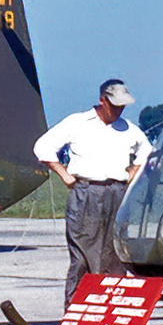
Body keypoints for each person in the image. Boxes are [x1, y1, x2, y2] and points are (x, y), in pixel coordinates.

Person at [34, 78, 152, 309]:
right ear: (102, 100)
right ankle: (75, 313)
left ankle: (108, 314)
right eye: (115, 105)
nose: (119, 110)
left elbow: (146, 151)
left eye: (122, 106)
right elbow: (42, 147)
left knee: (115, 256)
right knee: (84, 257)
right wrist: (63, 173)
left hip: (117, 193)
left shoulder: (128, 129)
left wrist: (132, 175)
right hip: (87, 193)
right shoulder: (77, 122)